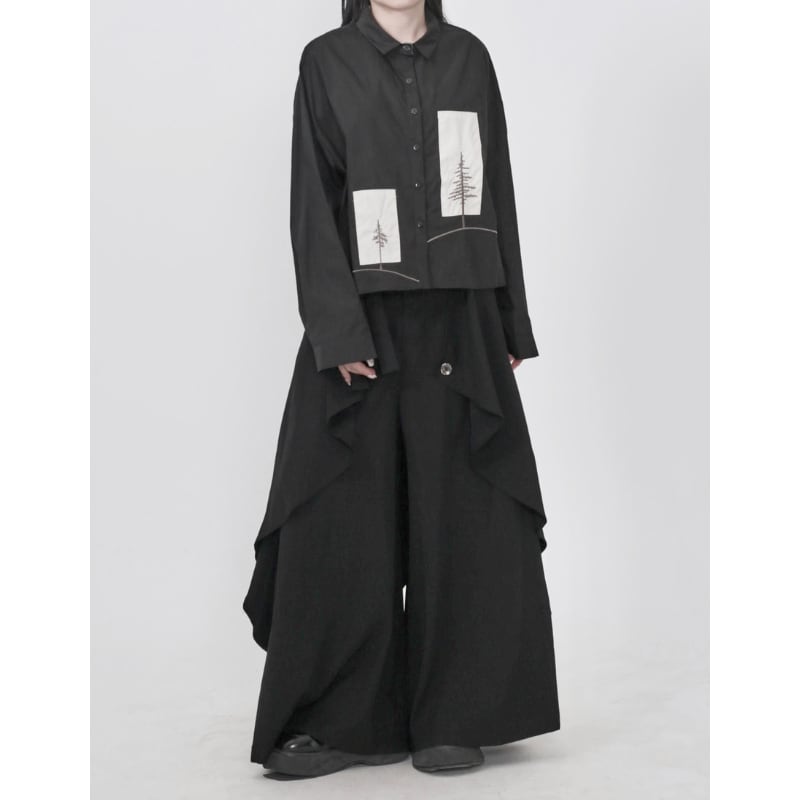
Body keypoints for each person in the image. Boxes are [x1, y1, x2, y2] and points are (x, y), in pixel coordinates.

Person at [243, 0, 560, 779]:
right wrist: (337, 331)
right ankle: (345, 718)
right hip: (365, 324)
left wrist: (509, 319)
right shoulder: (327, 62)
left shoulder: (470, 58)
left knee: (466, 515)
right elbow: (313, 201)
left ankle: (458, 712)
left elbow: (497, 186)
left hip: (461, 320)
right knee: (343, 516)